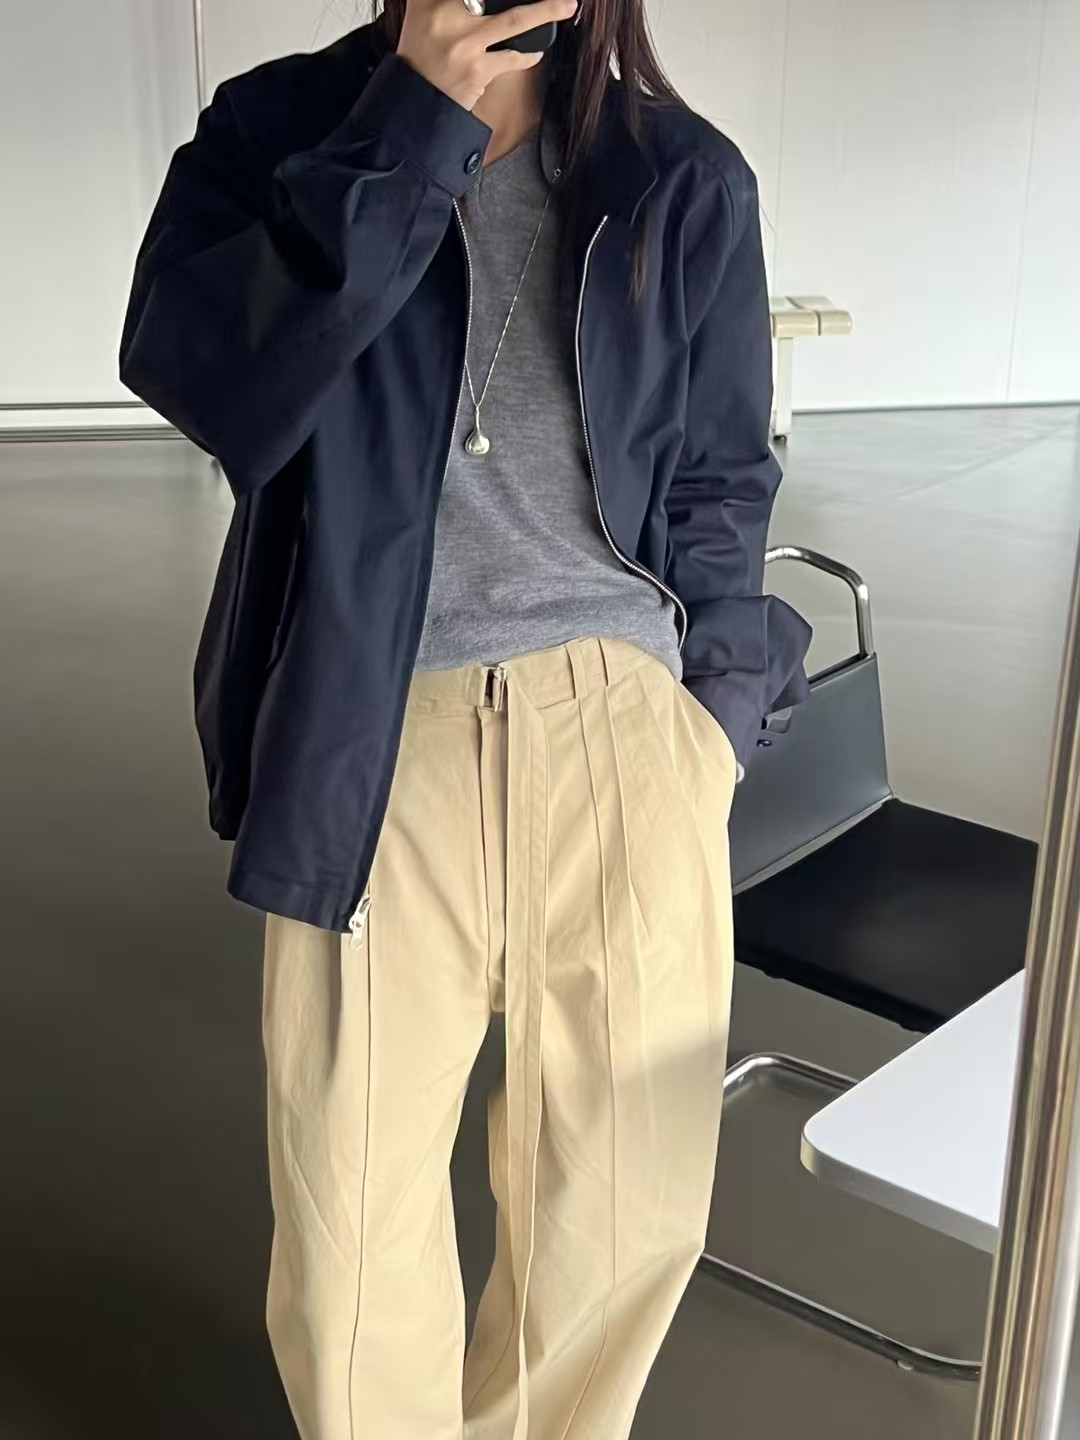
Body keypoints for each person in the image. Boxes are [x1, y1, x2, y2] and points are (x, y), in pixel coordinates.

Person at [120, 0, 811, 1435]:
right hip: (377, 732)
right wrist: (406, 129)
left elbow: (722, 479)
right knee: (349, 1233)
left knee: (618, 1227)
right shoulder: (280, 127)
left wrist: (710, 727)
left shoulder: (681, 173)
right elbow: (206, 378)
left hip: (623, 733)